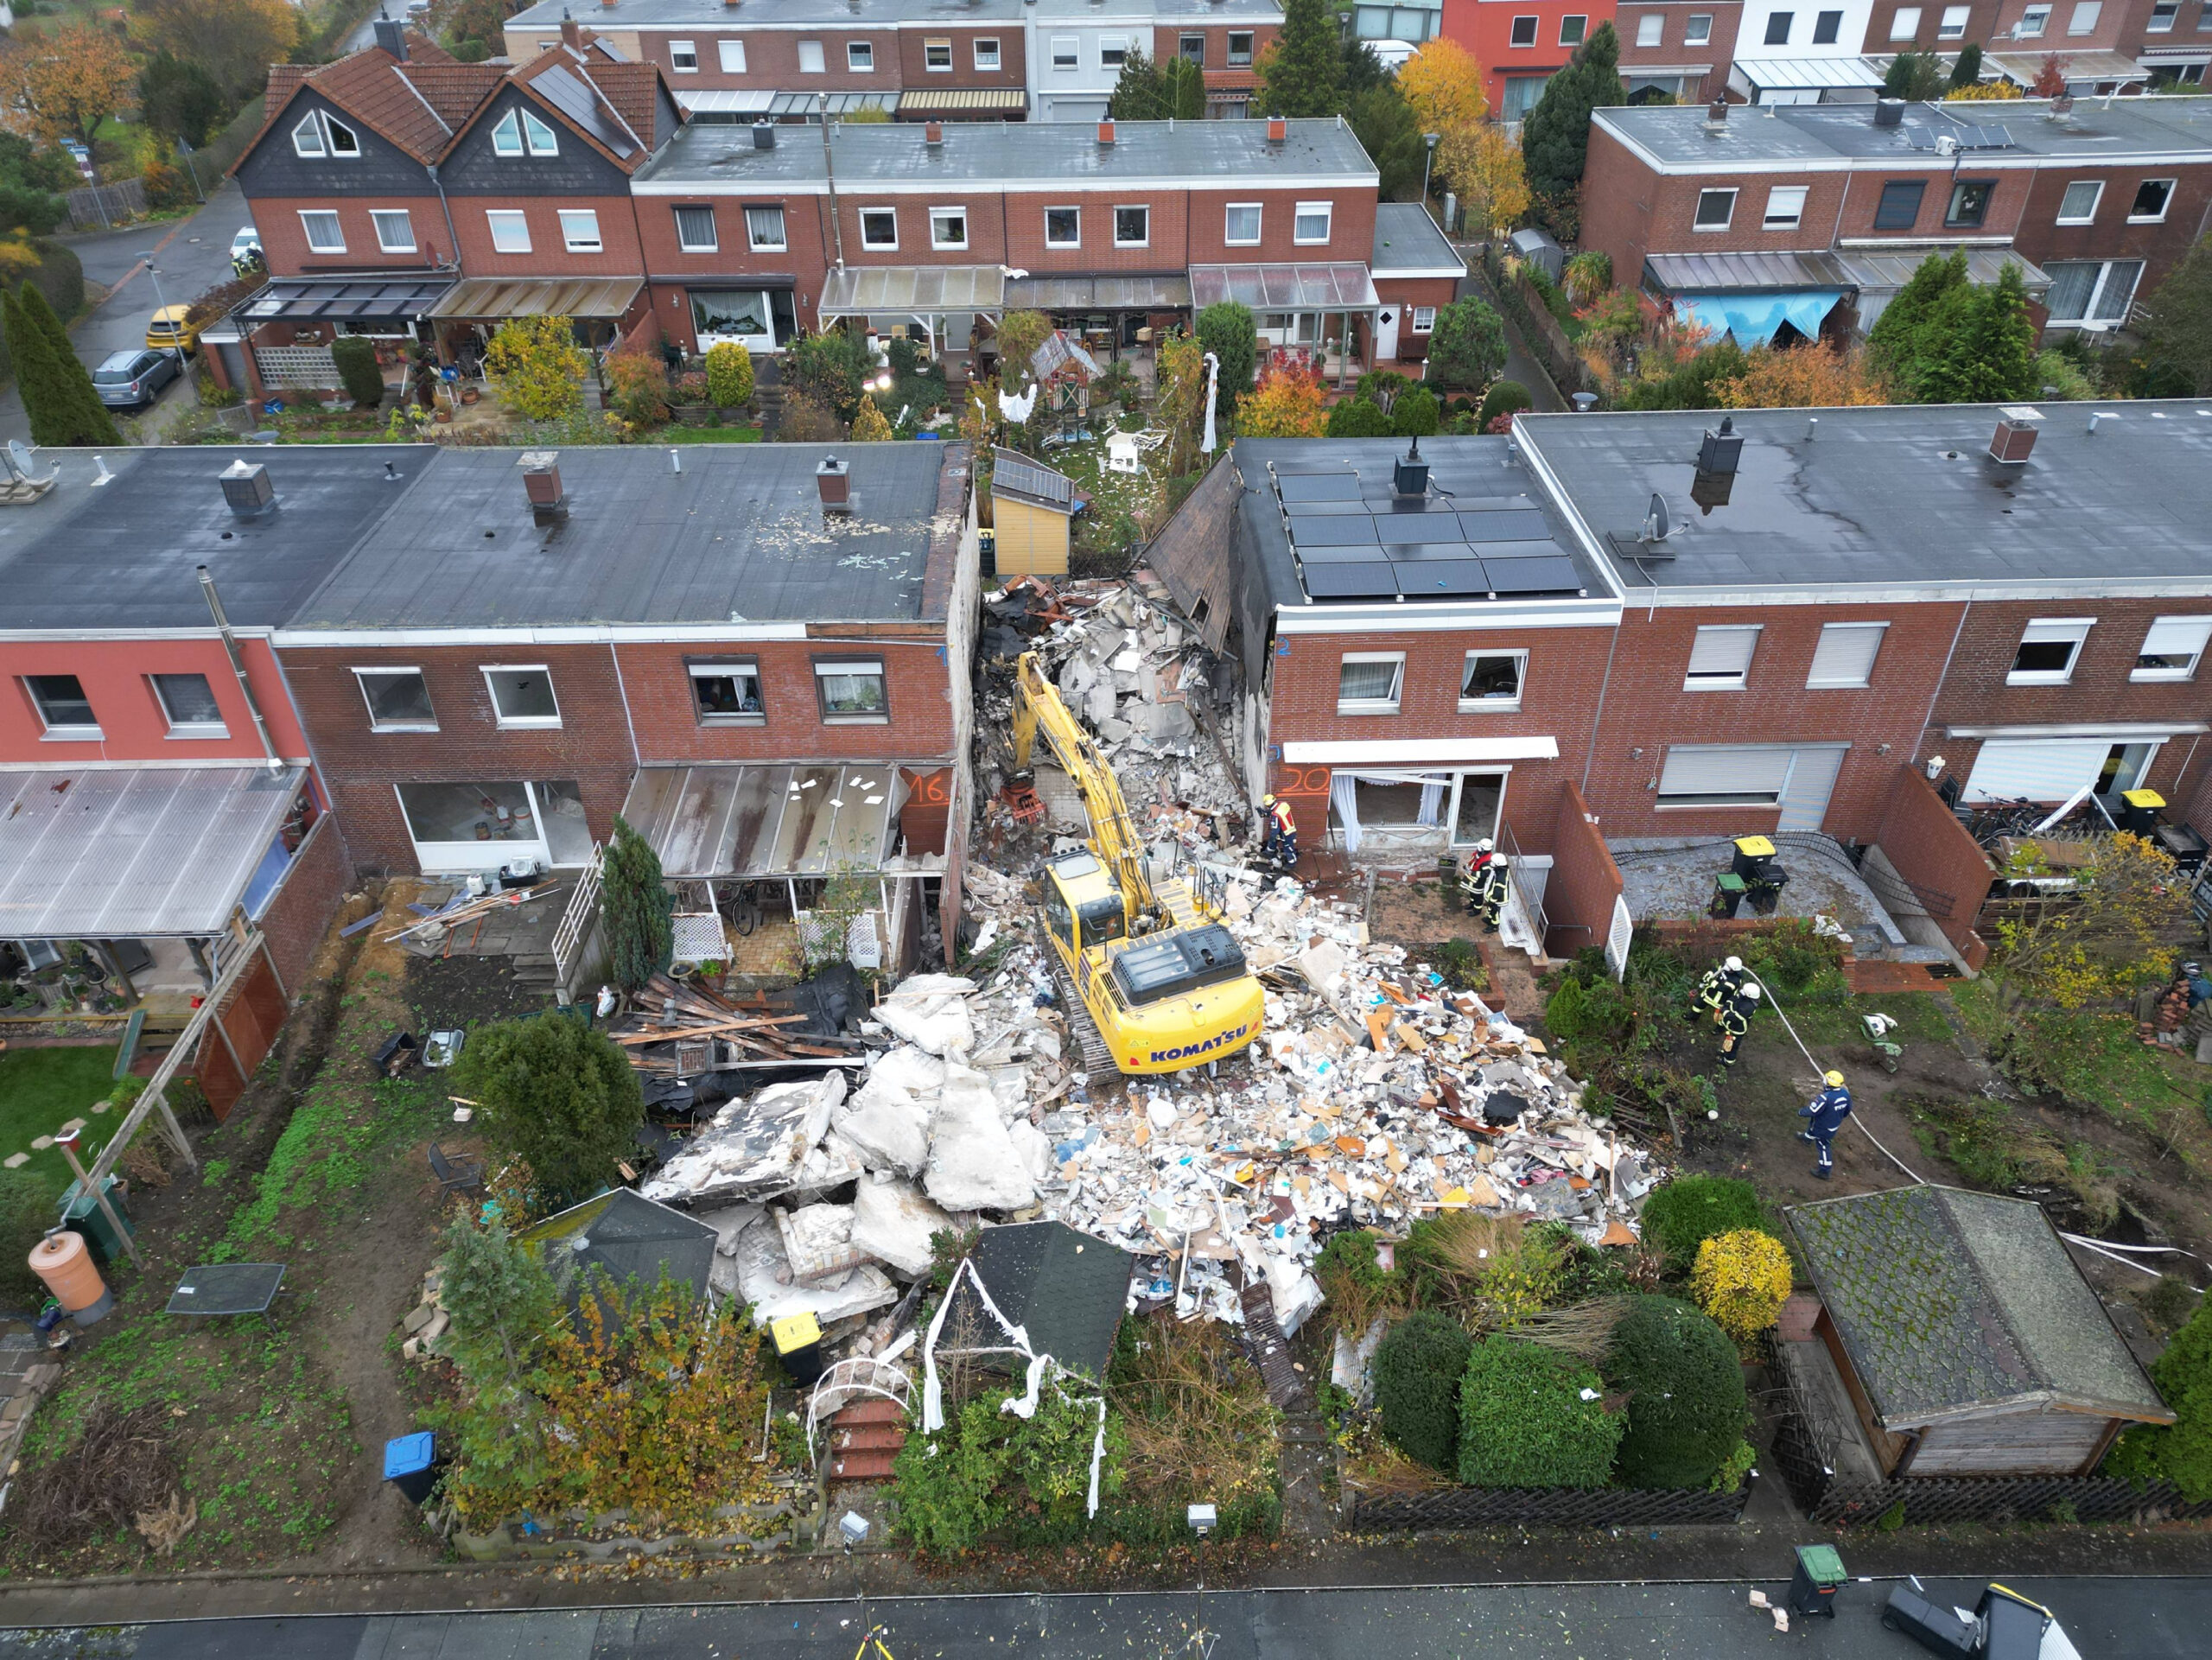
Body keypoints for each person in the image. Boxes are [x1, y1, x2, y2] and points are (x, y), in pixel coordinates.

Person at [1799, 1071, 1854, 1180]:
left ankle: (1824, 1171)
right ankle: (1807, 1138)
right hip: (1833, 1124)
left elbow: (1812, 1110)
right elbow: (1848, 1110)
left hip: (1823, 1126)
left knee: (1823, 1145)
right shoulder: (1845, 1094)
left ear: (1829, 1083)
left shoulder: (1825, 1098)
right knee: (1812, 1128)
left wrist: (1801, 1112)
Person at [1462, 840, 1508, 930]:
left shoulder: (1487, 861)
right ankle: (1472, 904)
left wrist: (1473, 873)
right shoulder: (1481, 854)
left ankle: (1477, 910)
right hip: (1473, 878)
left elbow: (1485, 874)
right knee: (1472, 892)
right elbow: (1474, 860)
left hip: (1479, 882)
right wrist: (1468, 866)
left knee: (1478, 895)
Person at [1717, 982, 1762, 1069]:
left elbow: (1734, 1018)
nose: (1741, 992)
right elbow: (1733, 999)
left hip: (1738, 1029)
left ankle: (1728, 1062)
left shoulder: (1748, 1007)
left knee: (1733, 1045)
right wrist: (1727, 1005)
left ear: (1748, 995)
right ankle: (1725, 1052)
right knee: (1728, 1040)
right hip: (1732, 1026)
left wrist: (1725, 1011)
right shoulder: (1745, 998)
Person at [1692, 955, 1746, 1023]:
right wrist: (1709, 974)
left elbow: (1722, 988)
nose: (1725, 966)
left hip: (1722, 1001)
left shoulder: (1735, 981)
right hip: (1709, 993)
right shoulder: (1725, 968)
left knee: (1721, 1018)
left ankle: (1718, 1030)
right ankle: (1692, 1018)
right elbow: (1715, 970)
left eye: (1728, 966)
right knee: (1698, 1005)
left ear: (1733, 969)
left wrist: (1710, 981)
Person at [1260, 794, 1299, 868]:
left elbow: (1275, 830)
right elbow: (1276, 812)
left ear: (1268, 805)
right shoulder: (1282, 805)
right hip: (1288, 828)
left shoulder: (1275, 816)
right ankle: (1269, 852)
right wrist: (1267, 813)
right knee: (1274, 842)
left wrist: (1272, 838)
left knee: (1287, 848)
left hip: (1286, 833)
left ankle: (1292, 863)